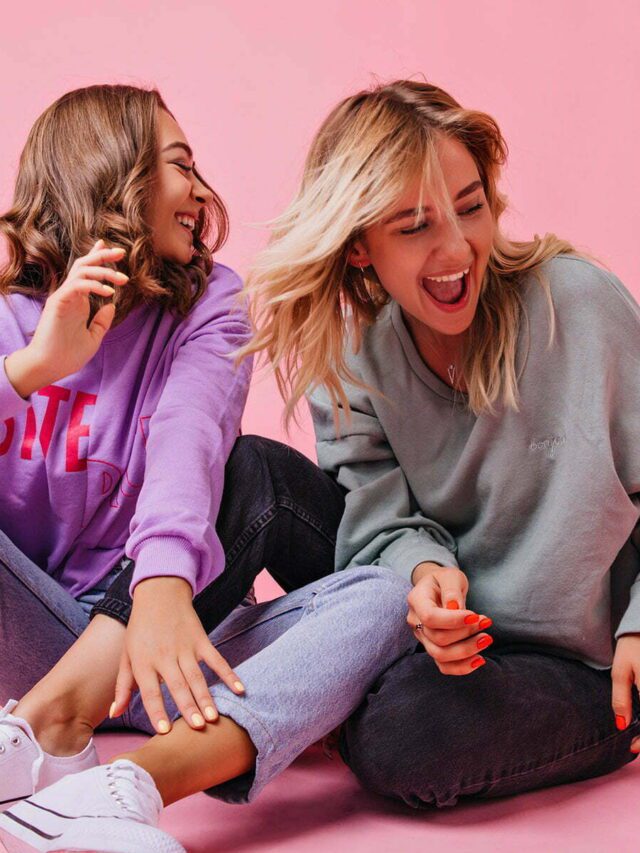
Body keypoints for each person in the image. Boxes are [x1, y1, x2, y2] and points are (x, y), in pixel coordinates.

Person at [0, 85, 415, 853]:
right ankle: (44, 724)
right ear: (112, 170)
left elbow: (191, 434)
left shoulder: (212, 302)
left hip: (177, 646)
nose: (200, 190)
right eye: (178, 165)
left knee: (387, 593)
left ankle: (112, 784)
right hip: (38, 642)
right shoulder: (7, 312)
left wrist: (160, 587)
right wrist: (30, 367)